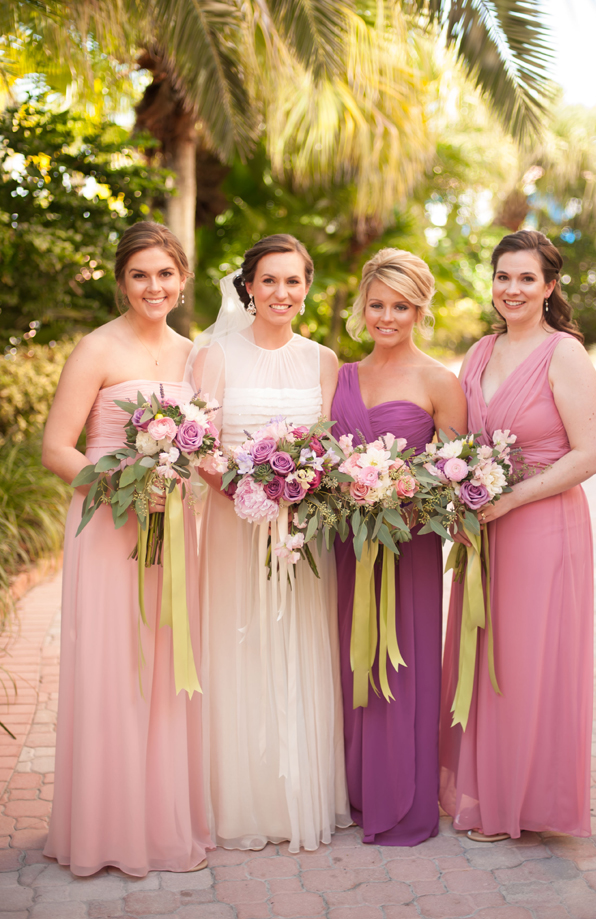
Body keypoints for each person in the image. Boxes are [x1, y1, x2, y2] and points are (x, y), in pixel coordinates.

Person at [42, 223, 211, 876]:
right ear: (121, 280)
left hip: (174, 531)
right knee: (115, 669)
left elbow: (204, 447)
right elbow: (57, 448)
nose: (153, 286)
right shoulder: (96, 348)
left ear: (182, 278)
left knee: (167, 668)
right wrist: (124, 484)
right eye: (140, 274)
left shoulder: (193, 354)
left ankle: (159, 824)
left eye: (164, 274)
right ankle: (104, 830)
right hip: (110, 526)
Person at [439, 229, 596, 841]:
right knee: (483, 656)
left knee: (526, 660)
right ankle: (486, 789)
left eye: (526, 279)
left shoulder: (564, 354)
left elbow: (591, 455)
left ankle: (522, 801)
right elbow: (459, 443)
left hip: (542, 522)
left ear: (550, 287)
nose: (513, 289)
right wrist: (457, 492)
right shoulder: (479, 353)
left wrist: (511, 498)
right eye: (503, 277)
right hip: (485, 526)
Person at [188, 234, 351, 853]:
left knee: (299, 646)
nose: (281, 292)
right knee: (241, 646)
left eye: (293, 281)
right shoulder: (215, 355)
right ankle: (241, 798)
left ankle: (299, 795)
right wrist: (249, 493)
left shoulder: (323, 360)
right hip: (236, 529)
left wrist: (300, 490)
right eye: (269, 281)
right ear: (247, 288)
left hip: (303, 537)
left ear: (306, 288)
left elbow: (331, 449)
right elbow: (202, 445)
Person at [332, 248, 467, 845]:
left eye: (401, 306)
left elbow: (459, 476)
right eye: (377, 304)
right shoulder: (339, 375)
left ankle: (404, 799)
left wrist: (410, 496)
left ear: (420, 309)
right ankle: (358, 791)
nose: (387, 317)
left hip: (409, 547)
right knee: (349, 660)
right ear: (363, 304)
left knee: (403, 661)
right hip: (347, 544)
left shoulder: (441, 381)